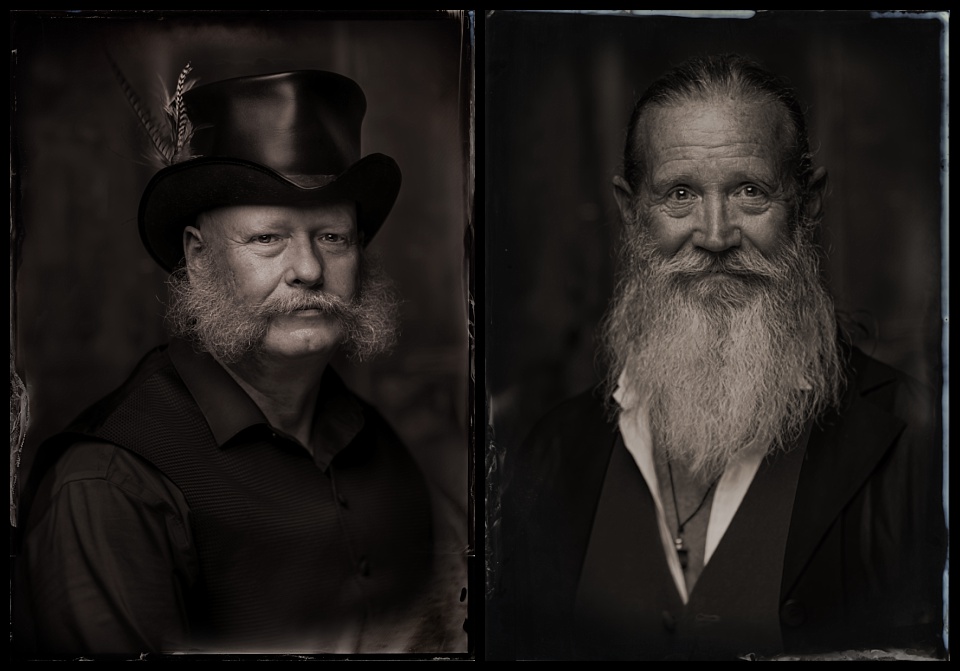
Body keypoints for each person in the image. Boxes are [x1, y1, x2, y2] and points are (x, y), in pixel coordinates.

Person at [498, 54, 946, 660]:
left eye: (749, 192)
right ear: (632, 212)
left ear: (808, 204)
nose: (714, 235)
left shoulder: (918, 448)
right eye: (679, 194)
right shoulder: (553, 452)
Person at [17, 69, 455, 656]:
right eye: (268, 238)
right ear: (198, 257)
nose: (308, 269)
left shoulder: (377, 441)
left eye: (332, 238)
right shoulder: (109, 484)